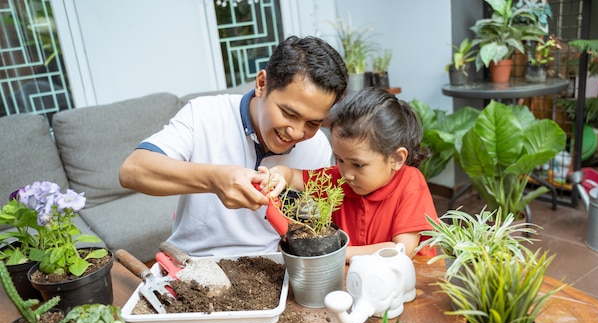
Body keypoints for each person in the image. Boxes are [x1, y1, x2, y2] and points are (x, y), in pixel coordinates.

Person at [119, 36, 348, 257]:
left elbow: (309, 222)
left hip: (271, 267)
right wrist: (215, 179)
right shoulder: (204, 114)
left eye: (313, 122)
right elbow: (133, 171)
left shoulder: (317, 146)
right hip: (192, 261)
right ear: (261, 84)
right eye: (288, 113)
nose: (297, 132)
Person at [259, 87, 438, 261]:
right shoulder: (338, 178)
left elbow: (401, 250)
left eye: (358, 164)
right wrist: (278, 174)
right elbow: (291, 175)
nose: (347, 174)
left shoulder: (410, 183)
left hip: (410, 282)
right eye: (339, 159)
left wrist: (334, 255)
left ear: (397, 159)